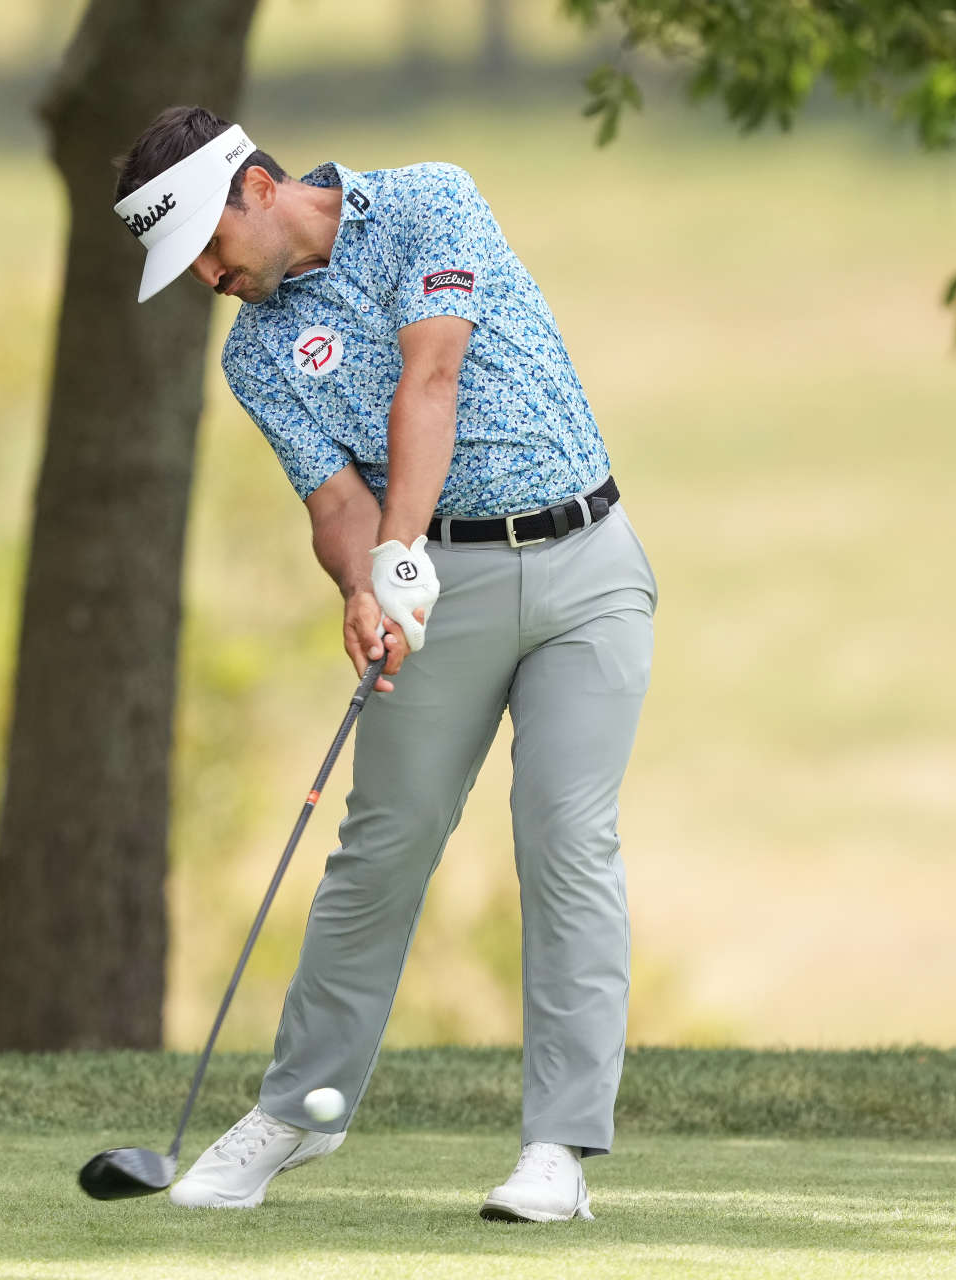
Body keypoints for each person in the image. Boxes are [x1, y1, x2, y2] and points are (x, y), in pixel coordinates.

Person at [111, 106, 657, 1222]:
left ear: (257, 184)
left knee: (565, 836)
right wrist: (366, 589)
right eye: (191, 266)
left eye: (211, 244)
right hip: (435, 588)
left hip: (586, 567)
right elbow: (336, 502)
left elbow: (433, 379)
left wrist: (396, 555)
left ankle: (557, 1149)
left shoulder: (426, 201)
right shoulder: (257, 352)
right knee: (380, 848)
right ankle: (297, 1115)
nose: (210, 274)